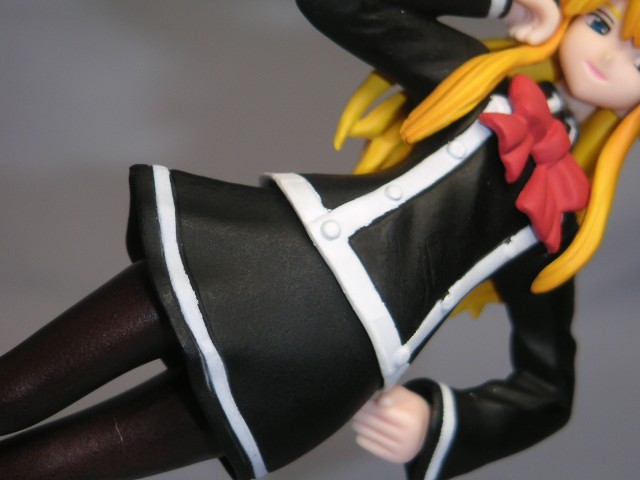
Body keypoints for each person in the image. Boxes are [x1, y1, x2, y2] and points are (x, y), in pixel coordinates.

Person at [0, 1, 638, 479]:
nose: (609, 57)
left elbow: (548, 389)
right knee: (19, 386)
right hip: (264, 258)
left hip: (331, 358)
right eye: (603, 23)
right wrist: (498, 3)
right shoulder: (473, 82)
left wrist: (437, 422)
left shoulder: (562, 222)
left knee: (58, 466)